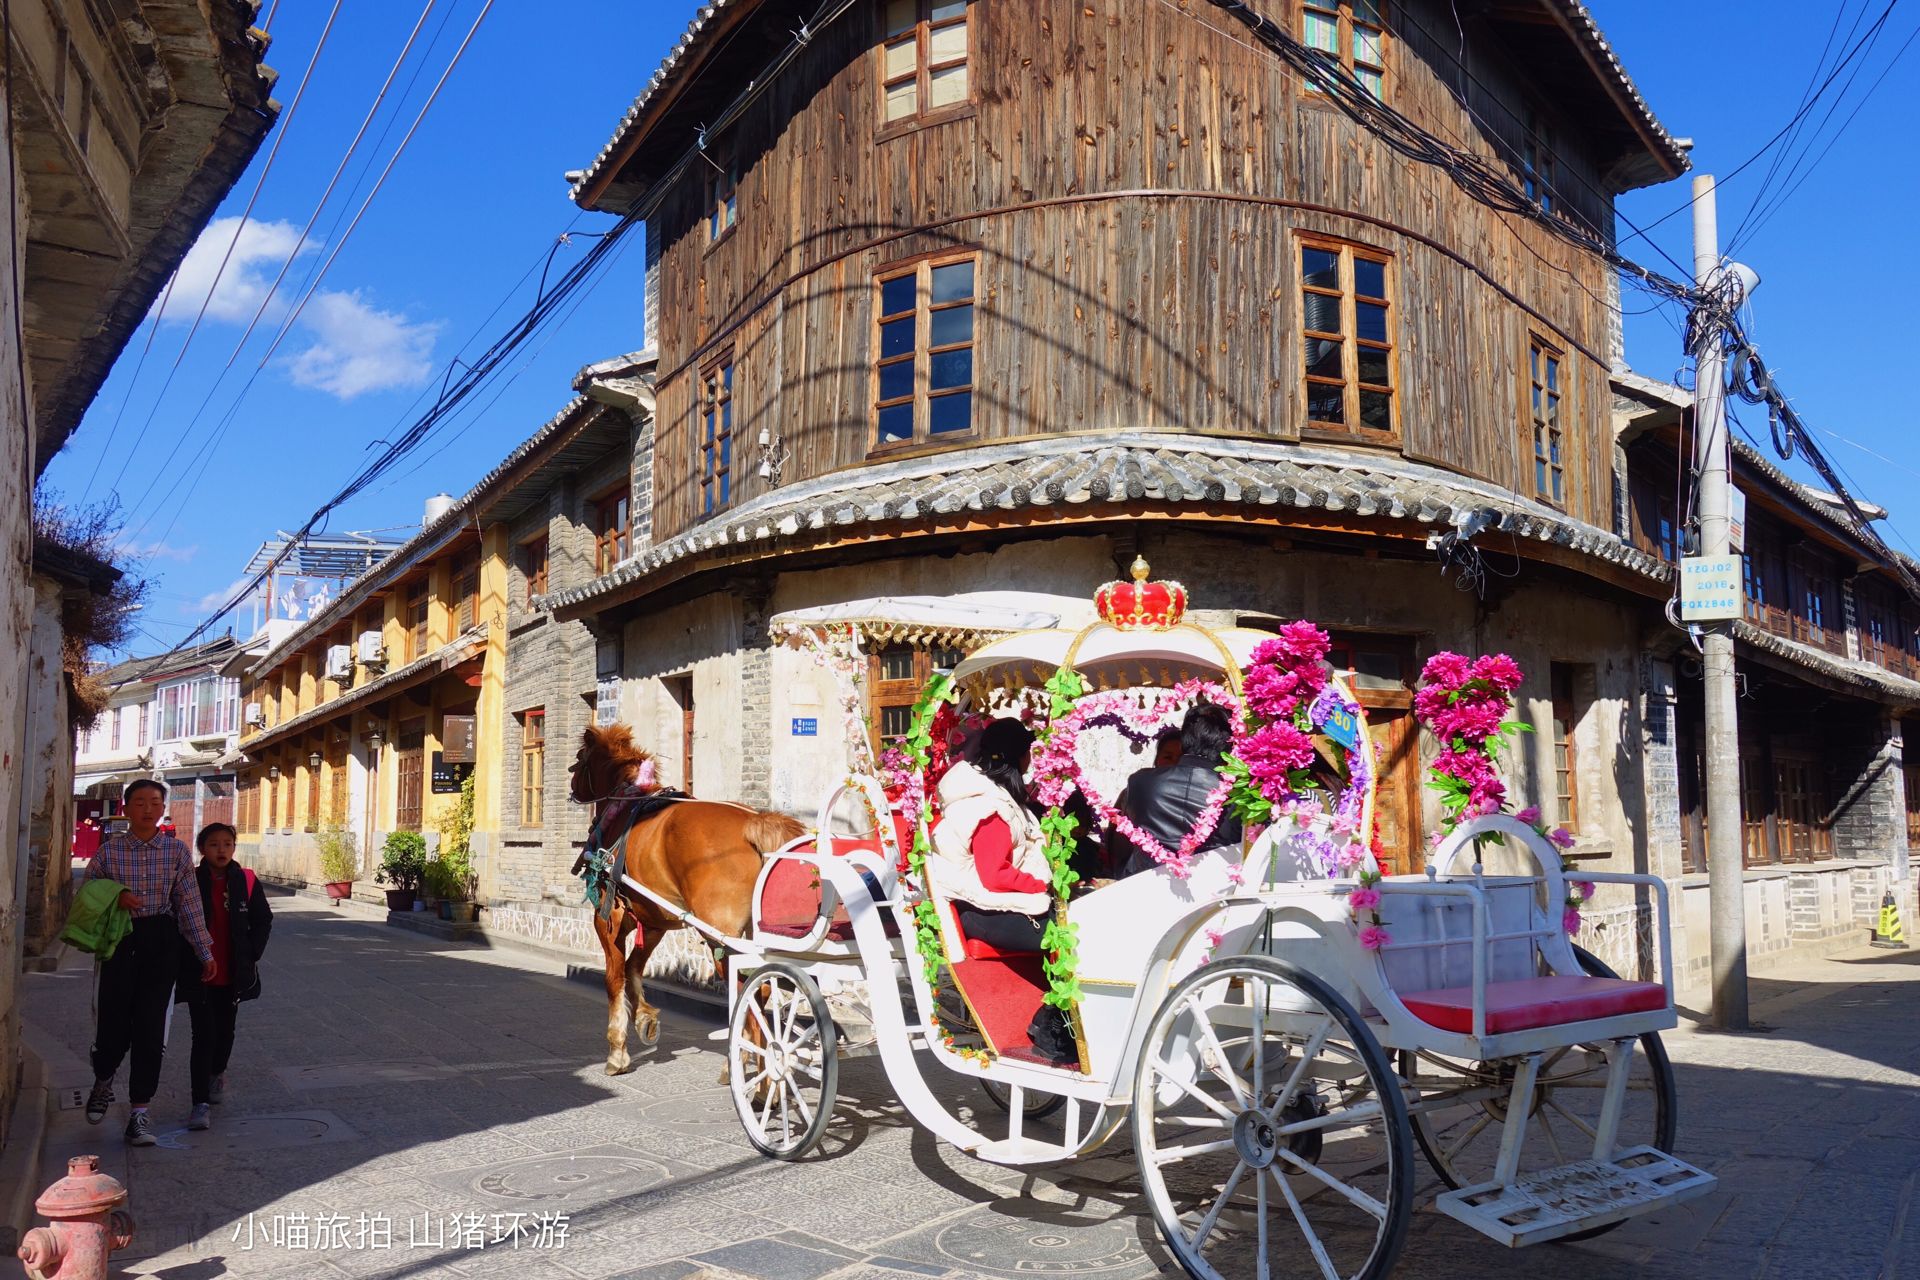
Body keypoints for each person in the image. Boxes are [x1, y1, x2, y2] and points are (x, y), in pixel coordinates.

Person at [79, 779, 215, 1146]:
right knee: (111, 1023)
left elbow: (189, 904)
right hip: (120, 941)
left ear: (162, 808)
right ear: (126, 808)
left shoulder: (176, 851)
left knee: (152, 1027)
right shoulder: (109, 852)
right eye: (139, 802)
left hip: (161, 942)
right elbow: (86, 892)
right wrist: (116, 895)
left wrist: (204, 951)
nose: (147, 809)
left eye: (155, 802)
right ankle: (103, 1079)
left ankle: (140, 1112)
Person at [174, 823, 272, 1131]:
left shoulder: (246, 880)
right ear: (202, 849)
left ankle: (217, 1073)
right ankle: (199, 1102)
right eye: (214, 844)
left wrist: (250, 954)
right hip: (200, 970)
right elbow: (177, 919)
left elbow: (263, 920)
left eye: (227, 844)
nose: (221, 850)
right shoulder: (190, 880)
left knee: (226, 1031)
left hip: (232, 972)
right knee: (203, 1035)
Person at [930, 719, 1052, 952]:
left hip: (989, 902)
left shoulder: (1000, 798)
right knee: (1067, 934)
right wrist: (1039, 885)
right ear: (1019, 757)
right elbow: (995, 875)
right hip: (981, 910)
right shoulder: (989, 808)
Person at [1116, 704, 1245, 878]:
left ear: (1184, 741)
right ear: (1230, 746)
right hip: (1214, 886)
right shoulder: (1241, 793)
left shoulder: (1139, 781)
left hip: (1146, 884)